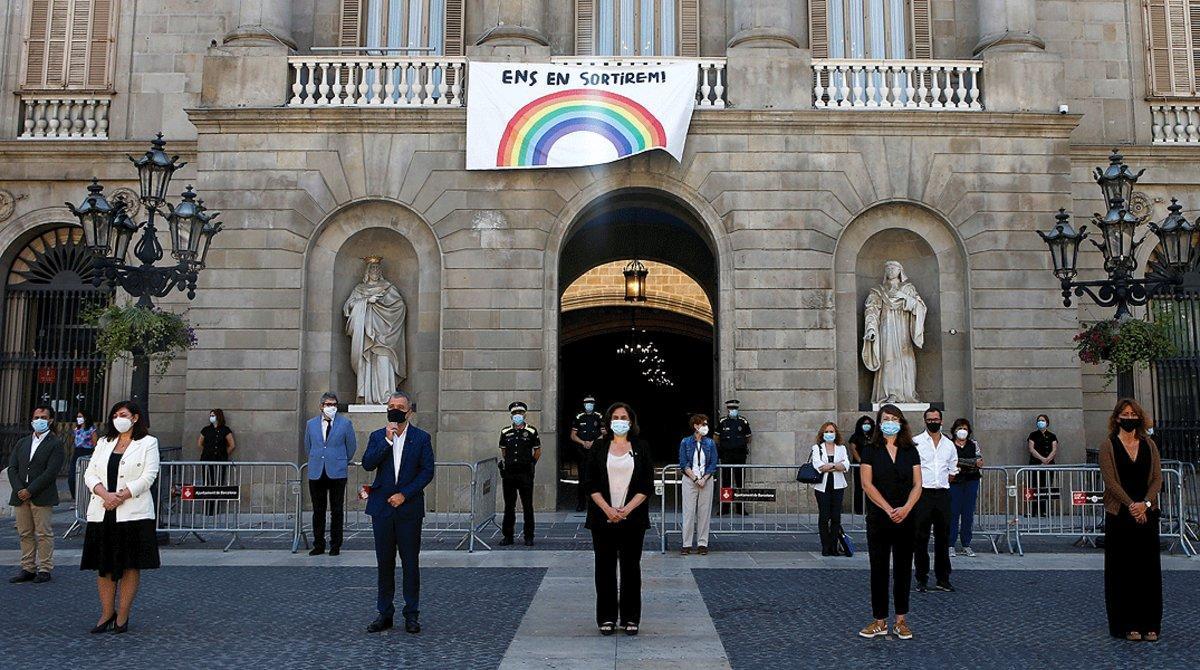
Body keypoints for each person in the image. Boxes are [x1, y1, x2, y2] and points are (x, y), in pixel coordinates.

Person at [80, 401, 161, 634]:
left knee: (129, 564)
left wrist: (122, 495)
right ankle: (106, 612)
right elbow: (90, 472)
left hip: (132, 513)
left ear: (135, 418)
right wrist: (105, 494)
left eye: (123, 414)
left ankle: (123, 614)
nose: (118, 418)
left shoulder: (148, 443)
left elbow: (149, 476)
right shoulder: (104, 443)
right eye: (115, 415)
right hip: (103, 510)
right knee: (103, 566)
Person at [362, 391, 435, 634]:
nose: (395, 409)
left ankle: (411, 613)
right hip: (381, 509)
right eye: (391, 406)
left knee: (410, 562)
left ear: (409, 411)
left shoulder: (421, 438)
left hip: (409, 510)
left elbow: (427, 471)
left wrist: (405, 493)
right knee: (384, 563)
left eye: (400, 407)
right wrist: (387, 441)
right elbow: (368, 464)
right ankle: (384, 612)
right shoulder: (377, 437)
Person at [584, 402, 654, 636]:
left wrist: (626, 510)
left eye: (624, 416)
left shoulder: (641, 447)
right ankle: (606, 617)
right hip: (602, 518)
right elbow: (591, 482)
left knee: (631, 569)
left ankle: (630, 618)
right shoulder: (598, 447)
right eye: (615, 416)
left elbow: (646, 484)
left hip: (633, 519)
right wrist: (608, 509)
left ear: (631, 421)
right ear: (609, 420)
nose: (620, 420)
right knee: (604, 568)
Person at [1099, 398, 1163, 642]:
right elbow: (1110, 481)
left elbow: (1157, 478)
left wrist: (1145, 504)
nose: (1129, 417)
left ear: (1139, 417)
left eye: (1133, 413)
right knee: (1122, 571)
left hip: (1146, 514)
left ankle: (1150, 624)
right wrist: (1131, 505)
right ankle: (1127, 624)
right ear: (1117, 418)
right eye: (1125, 414)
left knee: (1148, 571)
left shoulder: (1150, 444)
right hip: (1120, 515)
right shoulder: (1108, 446)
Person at [858, 404, 922, 640]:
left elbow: (918, 484)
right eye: (886, 418)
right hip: (879, 518)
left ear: (901, 422)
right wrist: (887, 509)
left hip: (906, 517)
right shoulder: (870, 450)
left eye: (894, 418)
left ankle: (901, 620)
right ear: (879, 422)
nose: (890, 422)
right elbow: (867, 484)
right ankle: (879, 620)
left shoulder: (910, 450)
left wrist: (905, 508)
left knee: (904, 568)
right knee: (879, 569)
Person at [8, 405, 65, 584]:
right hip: (20, 495)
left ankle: (45, 568)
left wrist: (30, 490)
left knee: (43, 533)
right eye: (37, 416)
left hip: (41, 495)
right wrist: (19, 489)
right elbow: (12, 468)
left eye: (43, 417)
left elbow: (51, 472)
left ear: (50, 420)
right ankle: (27, 567)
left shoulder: (55, 443)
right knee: (25, 532)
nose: (39, 420)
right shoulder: (22, 442)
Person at [304, 392, 358, 556]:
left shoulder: (345, 424)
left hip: (337, 471)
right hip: (317, 471)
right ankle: (318, 544)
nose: (331, 407)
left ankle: (335, 544)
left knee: (337, 510)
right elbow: (308, 445)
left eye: (334, 404)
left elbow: (351, 446)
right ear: (321, 406)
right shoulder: (311, 424)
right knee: (318, 510)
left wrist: (341, 460)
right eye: (328, 404)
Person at [912, 407, 956, 593]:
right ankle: (921, 578)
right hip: (923, 494)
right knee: (920, 538)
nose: (933, 422)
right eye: (930, 419)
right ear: (925, 421)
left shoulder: (949, 444)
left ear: (941, 421)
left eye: (936, 419)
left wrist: (944, 481)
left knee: (943, 537)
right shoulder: (916, 442)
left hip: (943, 494)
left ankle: (943, 578)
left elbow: (952, 470)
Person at [499, 401, 541, 546]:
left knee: (527, 505)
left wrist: (531, 464)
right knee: (509, 506)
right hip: (510, 473)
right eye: (515, 413)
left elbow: (537, 451)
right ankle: (508, 536)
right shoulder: (505, 432)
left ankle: (529, 536)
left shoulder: (531, 431)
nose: (518, 416)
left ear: (524, 414)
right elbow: (504, 451)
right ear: (511, 415)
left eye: (520, 413)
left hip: (525, 473)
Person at [809, 422, 851, 557]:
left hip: (838, 485)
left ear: (836, 433)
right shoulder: (817, 448)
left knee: (836, 517)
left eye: (831, 431)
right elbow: (818, 465)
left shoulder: (841, 448)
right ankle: (825, 546)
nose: (829, 434)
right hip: (822, 486)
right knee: (824, 516)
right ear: (822, 434)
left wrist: (830, 466)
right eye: (826, 431)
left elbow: (846, 465)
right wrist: (835, 466)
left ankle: (834, 546)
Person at [678, 413, 717, 555]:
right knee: (688, 512)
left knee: (704, 513)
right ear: (696, 426)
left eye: (707, 424)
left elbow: (713, 463)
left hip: (706, 480)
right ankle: (686, 544)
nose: (706, 427)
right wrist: (695, 478)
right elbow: (683, 463)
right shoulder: (685, 442)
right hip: (690, 480)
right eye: (703, 424)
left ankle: (702, 543)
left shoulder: (710, 443)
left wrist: (704, 478)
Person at [948, 418, 983, 558]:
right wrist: (970, 463)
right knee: (953, 514)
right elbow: (951, 462)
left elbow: (980, 462)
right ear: (954, 430)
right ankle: (950, 544)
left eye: (965, 428)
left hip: (971, 481)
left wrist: (962, 463)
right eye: (959, 428)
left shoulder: (973, 444)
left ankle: (966, 544)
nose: (962, 431)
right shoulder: (949, 445)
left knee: (968, 514)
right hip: (955, 482)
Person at [570, 395, 605, 512]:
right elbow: (573, 435)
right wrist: (583, 442)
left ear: (594, 404)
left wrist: (593, 442)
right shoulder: (579, 417)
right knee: (582, 479)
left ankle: (595, 503)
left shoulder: (599, 417)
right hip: (582, 452)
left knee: (596, 478)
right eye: (587, 403)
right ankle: (581, 503)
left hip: (596, 452)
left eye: (591, 403)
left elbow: (605, 433)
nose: (589, 405)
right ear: (584, 405)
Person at [716, 399, 752, 513]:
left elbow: (749, 438)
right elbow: (716, 437)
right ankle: (725, 508)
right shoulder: (722, 422)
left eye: (735, 409)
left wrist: (739, 444)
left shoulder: (743, 422)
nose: (733, 411)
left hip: (740, 455)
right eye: (731, 409)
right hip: (726, 455)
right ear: (728, 409)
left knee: (740, 481)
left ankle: (740, 508)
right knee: (726, 481)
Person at [198, 409, 236, 516]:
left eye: (213, 415)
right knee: (208, 483)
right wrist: (208, 452)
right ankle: (207, 509)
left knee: (218, 483)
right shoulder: (206, 430)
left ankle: (215, 509)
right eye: (210, 415)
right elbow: (200, 443)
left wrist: (223, 454)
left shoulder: (225, 430)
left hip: (220, 460)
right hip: (207, 460)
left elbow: (232, 445)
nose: (211, 417)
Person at [1026, 414, 1059, 516]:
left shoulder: (1052, 436)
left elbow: (1054, 449)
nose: (1041, 422)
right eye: (1039, 420)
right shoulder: (1033, 435)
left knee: (1045, 488)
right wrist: (1042, 459)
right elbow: (1031, 449)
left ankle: (1044, 511)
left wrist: (1047, 460)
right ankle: (1033, 511)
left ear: (1047, 423)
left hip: (1049, 466)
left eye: (1043, 420)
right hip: (1035, 464)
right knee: (1034, 487)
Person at [847, 415, 875, 516]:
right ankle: (859, 509)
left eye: (868, 424)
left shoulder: (874, 436)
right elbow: (853, 449)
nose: (866, 426)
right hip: (859, 466)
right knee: (859, 487)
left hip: (872, 466)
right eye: (864, 424)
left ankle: (871, 508)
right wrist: (861, 461)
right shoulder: (856, 436)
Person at [69, 410, 98, 502]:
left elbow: (94, 443)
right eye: (78, 416)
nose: (79, 418)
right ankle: (75, 498)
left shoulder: (91, 429)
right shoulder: (76, 429)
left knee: (84, 476)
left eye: (81, 416)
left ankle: (84, 499)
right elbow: (74, 442)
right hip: (77, 452)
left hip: (87, 452)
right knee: (72, 477)